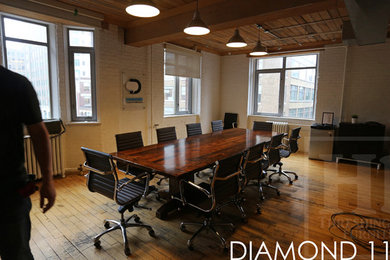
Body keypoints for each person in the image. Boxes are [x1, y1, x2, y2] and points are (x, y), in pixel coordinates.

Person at [0, 65, 56, 260]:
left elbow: (39, 134)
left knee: (17, 253)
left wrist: (48, 181)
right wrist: (48, 181)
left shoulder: (16, 84)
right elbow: (39, 133)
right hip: (10, 192)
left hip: (9, 192)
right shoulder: (17, 84)